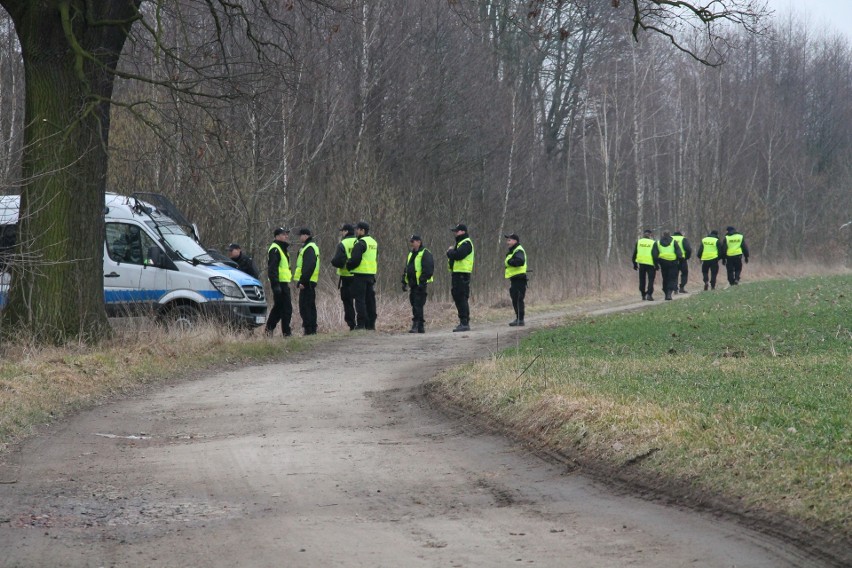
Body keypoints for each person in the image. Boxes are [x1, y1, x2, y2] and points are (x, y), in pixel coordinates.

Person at [346, 221, 378, 330]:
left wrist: (348, 265)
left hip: (360, 275)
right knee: (370, 300)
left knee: (360, 300)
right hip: (371, 275)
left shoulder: (360, 243)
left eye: (357, 229)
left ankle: (361, 324)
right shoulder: (373, 242)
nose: (356, 231)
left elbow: (355, 259)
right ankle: (371, 324)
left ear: (362, 231)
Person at [401, 235, 434, 333]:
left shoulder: (425, 253)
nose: (411, 243)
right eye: (411, 241)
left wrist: (422, 281)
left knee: (418, 304)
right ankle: (420, 326)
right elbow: (407, 268)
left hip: (420, 284)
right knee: (414, 303)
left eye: (413, 241)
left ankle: (417, 324)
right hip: (413, 284)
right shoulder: (411, 254)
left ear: (419, 242)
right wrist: (404, 281)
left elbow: (428, 269)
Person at [447, 223, 475, 331]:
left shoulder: (466, 243)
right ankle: (463, 322)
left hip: (462, 274)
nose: (455, 233)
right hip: (457, 273)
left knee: (461, 298)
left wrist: (450, 252)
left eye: (457, 231)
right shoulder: (459, 243)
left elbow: (458, 255)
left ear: (463, 231)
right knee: (458, 297)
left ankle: (464, 323)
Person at [265, 227, 293, 337]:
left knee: (280, 308)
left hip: (283, 282)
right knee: (284, 308)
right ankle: (286, 332)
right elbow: (272, 268)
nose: (286, 236)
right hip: (279, 283)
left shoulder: (282, 248)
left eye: (287, 234)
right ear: (277, 236)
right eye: (284, 234)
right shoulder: (275, 249)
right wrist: (275, 285)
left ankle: (270, 331)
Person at [330, 223, 357, 330]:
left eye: (342, 231)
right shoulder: (358, 241)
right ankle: (363, 323)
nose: (341, 233)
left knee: (348, 301)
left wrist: (333, 261)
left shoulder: (343, 243)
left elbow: (337, 261)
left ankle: (351, 324)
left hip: (346, 276)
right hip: (359, 275)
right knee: (360, 300)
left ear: (346, 232)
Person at [294, 227, 320, 335]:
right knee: (309, 306)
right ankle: (311, 329)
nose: (299, 237)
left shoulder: (309, 248)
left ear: (305, 235)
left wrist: (302, 281)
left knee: (305, 307)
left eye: (300, 235)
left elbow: (309, 266)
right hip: (310, 281)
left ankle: (309, 330)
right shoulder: (311, 246)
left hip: (307, 282)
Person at [503, 233, 528, 326]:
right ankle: (518, 318)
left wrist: (510, 261)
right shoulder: (514, 250)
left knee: (518, 299)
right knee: (516, 299)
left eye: (509, 240)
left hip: (519, 279)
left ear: (515, 241)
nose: (507, 242)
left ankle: (520, 320)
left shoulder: (518, 250)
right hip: (516, 279)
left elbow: (520, 261)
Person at [632, 229, 659, 301]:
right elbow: (655, 255)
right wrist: (656, 265)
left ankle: (643, 294)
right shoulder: (653, 243)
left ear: (643, 234)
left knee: (642, 279)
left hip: (641, 264)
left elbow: (635, 253)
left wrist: (634, 264)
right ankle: (649, 294)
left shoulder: (639, 242)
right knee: (651, 280)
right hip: (650, 264)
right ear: (650, 235)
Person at [657, 230, 684, 300]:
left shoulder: (658, 242)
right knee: (671, 278)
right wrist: (680, 260)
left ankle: (665, 292)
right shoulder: (673, 242)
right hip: (672, 262)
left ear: (663, 235)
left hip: (663, 262)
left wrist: (656, 263)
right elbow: (678, 251)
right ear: (669, 235)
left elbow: (655, 253)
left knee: (665, 277)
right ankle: (669, 293)